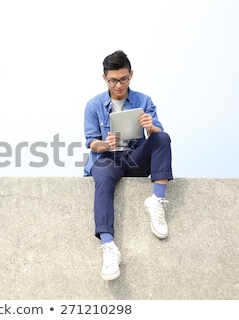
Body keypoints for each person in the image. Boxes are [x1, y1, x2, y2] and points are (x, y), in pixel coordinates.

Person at [83, 50, 173, 281]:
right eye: (113, 80)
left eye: (123, 78)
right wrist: (105, 144)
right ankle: (108, 246)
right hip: (109, 158)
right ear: (105, 78)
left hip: (134, 158)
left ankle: (156, 200)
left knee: (162, 138)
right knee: (101, 177)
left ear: (131, 75)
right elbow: (91, 143)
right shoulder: (93, 105)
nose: (119, 84)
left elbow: (157, 136)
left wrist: (150, 126)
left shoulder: (144, 101)